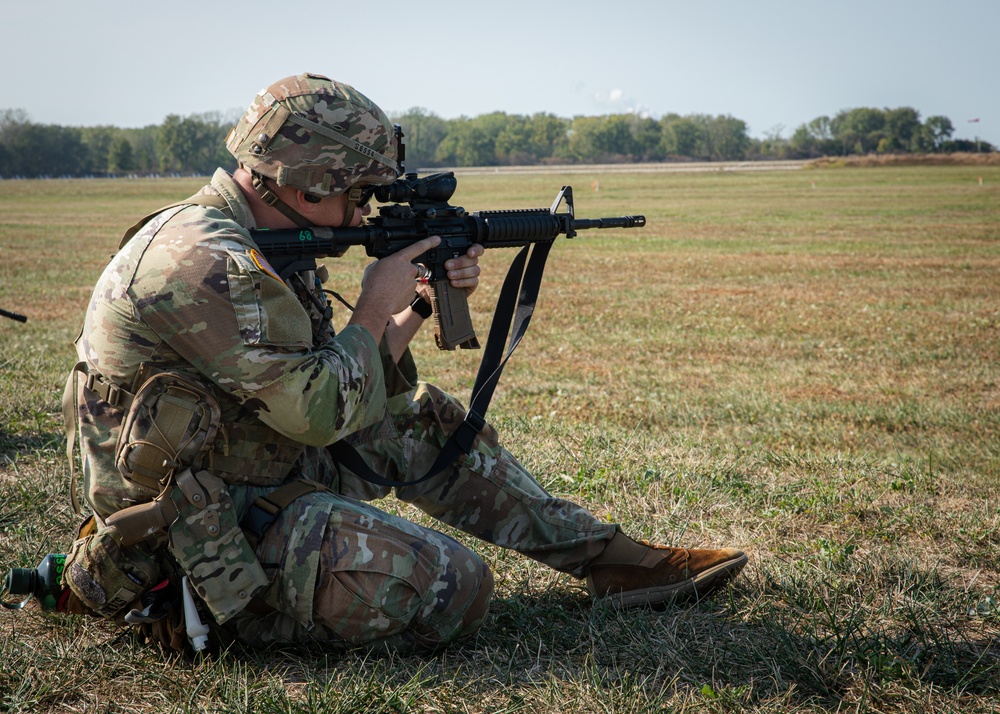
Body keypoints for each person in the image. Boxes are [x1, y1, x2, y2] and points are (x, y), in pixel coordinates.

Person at [65, 73, 747, 652]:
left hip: (247, 465)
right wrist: (370, 307)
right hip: (189, 530)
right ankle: (182, 612)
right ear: (304, 187)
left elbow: (336, 382)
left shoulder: (259, 239)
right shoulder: (202, 263)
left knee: (422, 422)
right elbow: (318, 410)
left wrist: (415, 307)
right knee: (455, 587)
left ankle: (616, 563)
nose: (363, 211)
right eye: (357, 194)